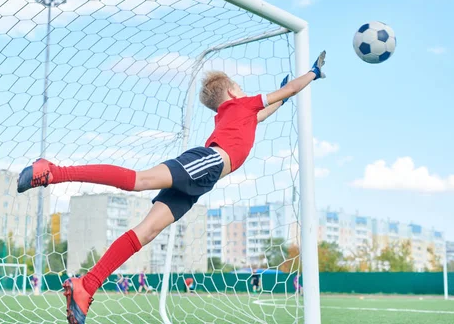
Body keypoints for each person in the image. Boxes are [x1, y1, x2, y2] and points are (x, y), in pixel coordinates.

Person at [17, 52, 326, 324]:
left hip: (203, 179)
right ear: (233, 92)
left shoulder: (237, 113)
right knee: (139, 181)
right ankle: (53, 172)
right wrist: (312, 74)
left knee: (148, 231)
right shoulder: (240, 105)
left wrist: (284, 98)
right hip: (206, 163)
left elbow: (267, 110)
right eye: (242, 89)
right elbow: (286, 89)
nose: (247, 94)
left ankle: (87, 285)